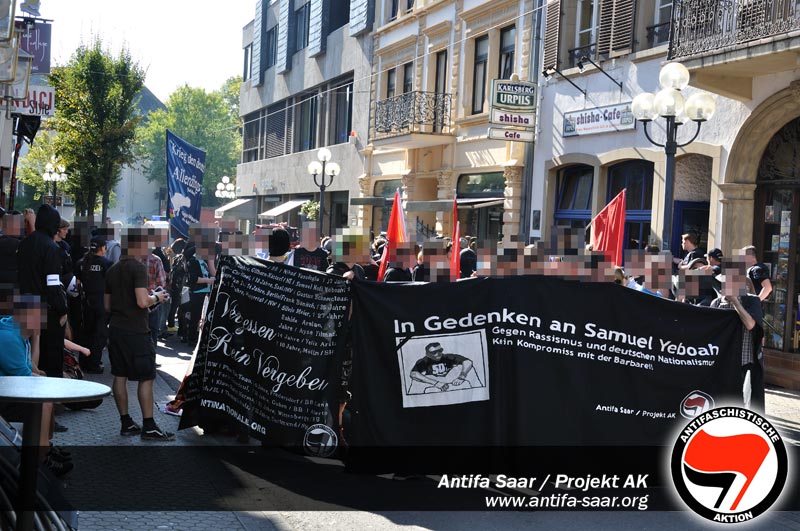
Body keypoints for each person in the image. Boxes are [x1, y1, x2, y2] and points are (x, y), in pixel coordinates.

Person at [104, 227, 174, 441]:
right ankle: (149, 426)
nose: (148, 248)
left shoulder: (112, 269)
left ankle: (126, 423)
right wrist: (157, 298)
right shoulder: (138, 268)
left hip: (116, 329)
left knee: (120, 375)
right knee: (147, 377)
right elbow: (142, 301)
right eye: (145, 244)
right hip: (136, 330)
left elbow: (107, 305)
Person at [0, 291, 72, 476]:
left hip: (11, 388)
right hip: (5, 397)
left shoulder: (20, 333)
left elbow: (33, 368)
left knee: (46, 395)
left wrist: (37, 338)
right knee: (44, 403)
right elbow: (26, 378)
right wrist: (47, 381)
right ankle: (40, 458)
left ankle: (46, 447)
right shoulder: (8, 338)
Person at [17, 204, 67, 379]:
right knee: (51, 359)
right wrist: (62, 309)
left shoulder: (25, 244)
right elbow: (53, 284)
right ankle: (49, 403)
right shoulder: (51, 248)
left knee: (29, 355)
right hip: (47, 308)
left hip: (25, 304)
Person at [710, 262, 765, 413]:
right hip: (721, 361)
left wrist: (735, 302)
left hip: (744, 361)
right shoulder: (716, 303)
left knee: (739, 402)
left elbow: (751, 325)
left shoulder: (751, 301)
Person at [75, 236, 111, 373]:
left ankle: (84, 361)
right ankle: (94, 363)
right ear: (102, 248)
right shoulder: (106, 263)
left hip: (86, 302)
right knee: (100, 334)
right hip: (102, 302)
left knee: (87, 333)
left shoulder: (80, 263)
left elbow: (77, 285)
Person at [410, 342, 474, 393]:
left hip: (451, 380)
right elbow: (413, 374)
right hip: (434, 383)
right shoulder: (424, 361)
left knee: (466, 368)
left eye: (440, 350)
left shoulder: (448, 357)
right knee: (416, 381)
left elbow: (468, 362)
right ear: (427, 354)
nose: (438, 353)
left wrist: (461, 377)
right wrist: (436, 383)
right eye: (434, 352)